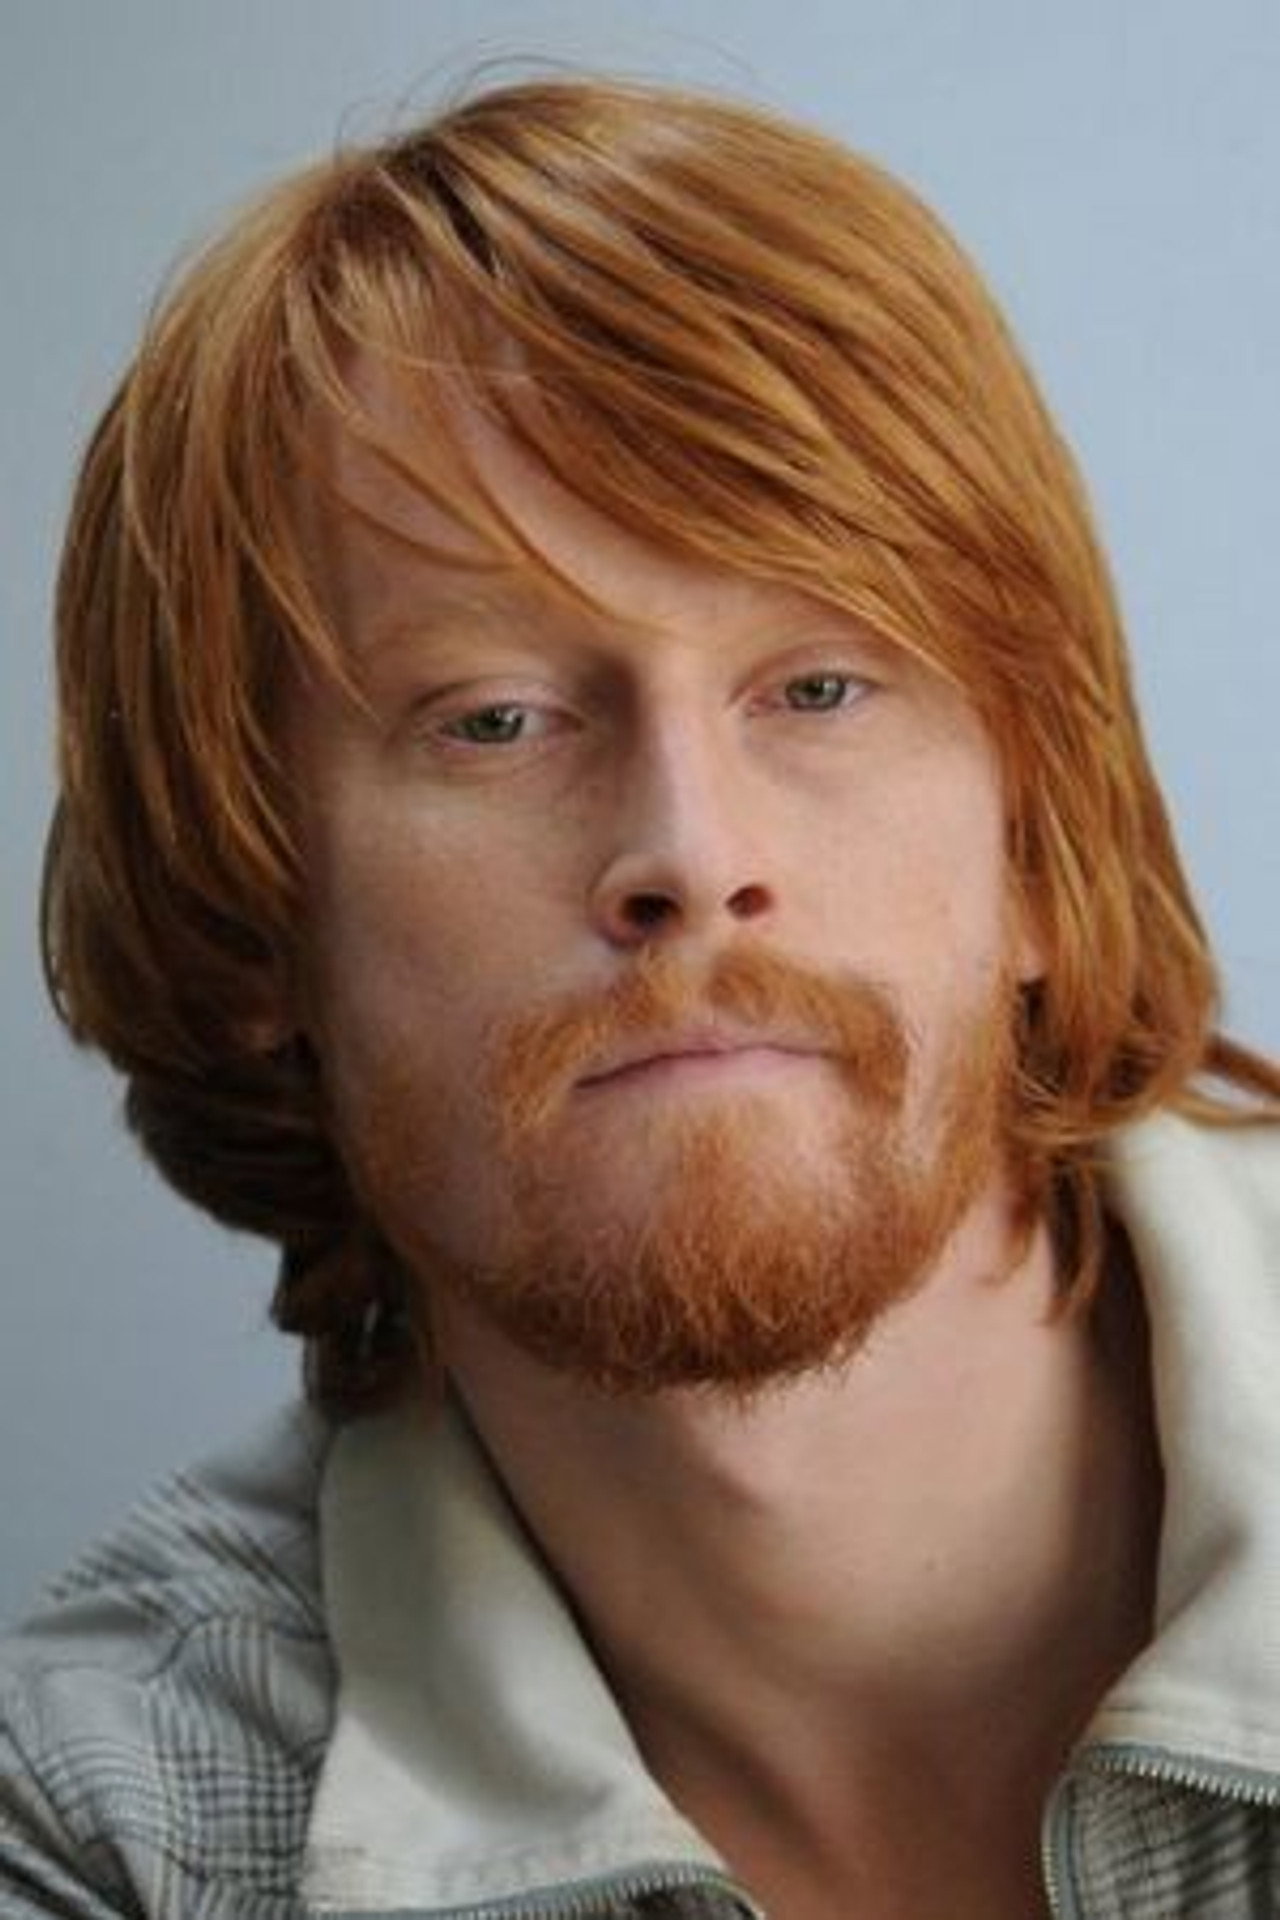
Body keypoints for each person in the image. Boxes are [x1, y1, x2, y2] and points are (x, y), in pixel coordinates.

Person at [3, 72, 1278, 1920]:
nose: (689, 851)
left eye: (817, 687)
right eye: (494, 720)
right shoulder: (110, 1827)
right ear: (256, 922)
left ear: (1037, 845)